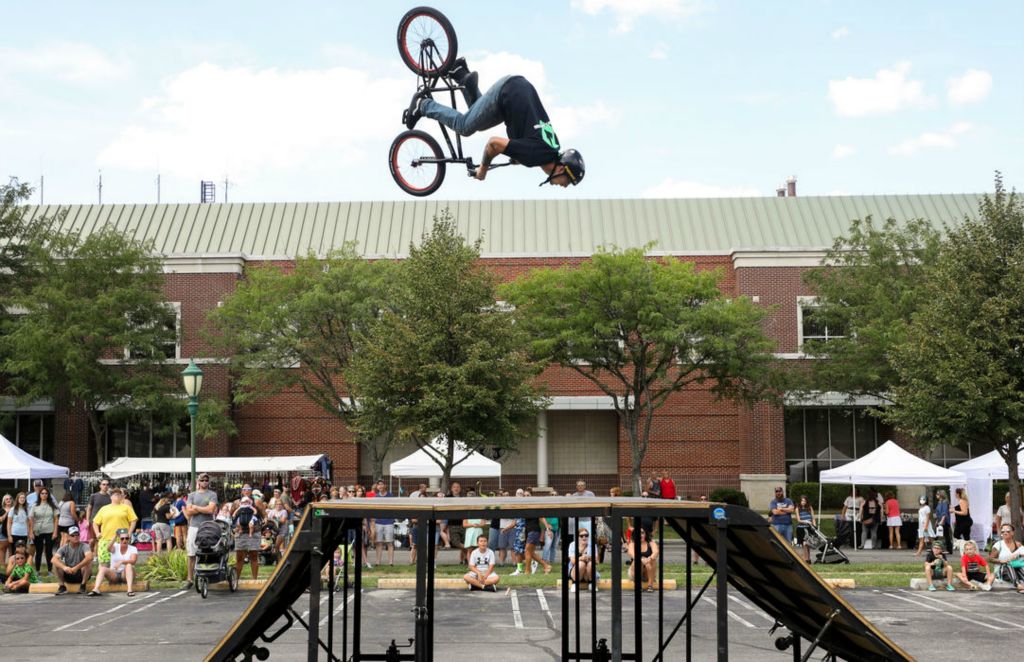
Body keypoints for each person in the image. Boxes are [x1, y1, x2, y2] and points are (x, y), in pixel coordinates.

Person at [405, 62, 585, 188]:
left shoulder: (550, 148)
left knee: (479, 124)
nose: (565, 186)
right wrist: (483, 169)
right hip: (507, 93)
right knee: (465, 126)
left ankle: (461, 74)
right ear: (561, 169)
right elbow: (494, 144)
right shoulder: (537, 155)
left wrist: (517, 156)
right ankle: (424, 105)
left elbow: (531, 140)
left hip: (515, 92)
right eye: (567, 181)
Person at [184, 473, 218, 589]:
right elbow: (188, 512)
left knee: (207, 551)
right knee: (191, 553)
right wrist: (203, 509)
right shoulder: (191, 495)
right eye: (202, 480)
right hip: (194, 526)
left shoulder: (212, 494)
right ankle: (189, 579)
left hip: (208, 527)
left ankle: (206, 576)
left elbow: (211, 510)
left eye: (206, 480)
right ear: (198, 481)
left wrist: (196, 508)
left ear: (208, 482)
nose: (204, 482)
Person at [92, 488, 138, 573]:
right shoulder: (104, 509)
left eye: (119, 494)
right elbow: (95, 522)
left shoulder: (126, 508)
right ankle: (103, 578)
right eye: (115, 494)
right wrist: (97, 533)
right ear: (111, 497)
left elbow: (133, 521)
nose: (118, 496)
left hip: (122, 539)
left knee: (123, 560)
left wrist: (129, 533)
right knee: (104, 561)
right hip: (106, 538)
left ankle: (123, 577)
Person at [89, 528, 138, 597]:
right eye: (122, 538)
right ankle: (96, 589)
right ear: (119, 539)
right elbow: (108, 548)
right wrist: (115, 536)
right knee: (102, 568)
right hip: (114, 574)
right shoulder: (115, 546)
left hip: (125, 574)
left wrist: (121, 561)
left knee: (129, 565)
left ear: (129, 539)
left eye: (127, 538)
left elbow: (133, 561)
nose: (124, 540)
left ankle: (129, 589)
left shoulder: (133, 548)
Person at [51, 526, 94, 594]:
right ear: (68, 537)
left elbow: (89, 557)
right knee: (56, 563)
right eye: (73, 535)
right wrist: (64, 567)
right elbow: (53, 559)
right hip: (69, 573)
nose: (75, 537)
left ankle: (83, 586)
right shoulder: (64, 547)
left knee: (88, 563)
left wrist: (76, 567)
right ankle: (62, 586)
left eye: (77, 534)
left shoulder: (85, 546)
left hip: (81, 574)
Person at [27, 487, 58, 573]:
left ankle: (50, 570)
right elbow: (31, 519)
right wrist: (30, 532)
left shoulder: (52, 506)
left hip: (49, 530)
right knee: (38, 551)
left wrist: (55, 532)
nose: (44, 495)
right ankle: (37, 570)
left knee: (49, 552)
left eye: (46, 493)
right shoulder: (34, 505)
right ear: (39, 495)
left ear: (48, 495)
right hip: (37, 531)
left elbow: (56, 519)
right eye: (42, 493)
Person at [988, 523, 1024, 593]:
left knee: (1020, 567)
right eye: (1003, 531)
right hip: (1002, 570)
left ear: (1012, 533)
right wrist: (1002, 561)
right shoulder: (998, 545)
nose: (1005, 533)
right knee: (1008, 565)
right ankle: (1018, 585)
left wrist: (1019, 556)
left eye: (1007, 531)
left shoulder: (1018, 544)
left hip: (1016, 568)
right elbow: (990, 559)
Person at [627, 528, 660, 592]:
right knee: (637, 560)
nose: (640, 535)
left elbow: (656, 552)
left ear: (645, 534)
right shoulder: (632, 544)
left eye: (642, 533)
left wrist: (649, 559)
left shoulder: (651, 543)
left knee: (653, 560)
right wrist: (642, 559)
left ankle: (650, 585)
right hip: (635, 572)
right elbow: (631, 553)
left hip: (648, 572)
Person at [84, 479, 112, 554]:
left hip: (105, 521)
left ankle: (97, 555)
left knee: (101, 539)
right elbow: (89, 508)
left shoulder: (110, 497)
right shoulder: (94, 496)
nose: (105, 486)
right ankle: (89, 553)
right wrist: (87, 520)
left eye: (107, 484)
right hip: (94, 521)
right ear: (100, 486)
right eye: (103, 484)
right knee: (92, 540)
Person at [372, 481, 396, 567]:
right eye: (378, 484)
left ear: (385, 485)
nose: (380, 486)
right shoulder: (375, 497)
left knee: (390, 542)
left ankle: (391, 562)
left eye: (382, 484)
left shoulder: (390, 496)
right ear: (377, 486)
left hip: (389, 522)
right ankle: (377, 562)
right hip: (378, 522)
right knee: (378, 543)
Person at [795, 495, 816, 563]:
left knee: (808, 544)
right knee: (804, 544)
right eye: (802, 501)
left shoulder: (809, 508)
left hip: (809, 528)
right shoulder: (797, 508)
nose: (803, 502)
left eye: (804, 501)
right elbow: (798, 520)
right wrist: (806, 521)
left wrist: (814, 526)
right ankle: (805, 559)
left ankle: (808, 559)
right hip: (801, 529)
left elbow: (813, 518)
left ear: (806, 501)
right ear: (800, 501)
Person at [0, 493, 12, 566]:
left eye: (10, 498)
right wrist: (6, 513)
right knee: (2, 549)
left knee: (12, 549)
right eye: (6, 499)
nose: (8, 500)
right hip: (2, 532)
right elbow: (0, 520)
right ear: (4, 501)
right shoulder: (1, 510)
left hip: (12, 531)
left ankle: (11, 566)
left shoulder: (15, 509)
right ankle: (2, 565)